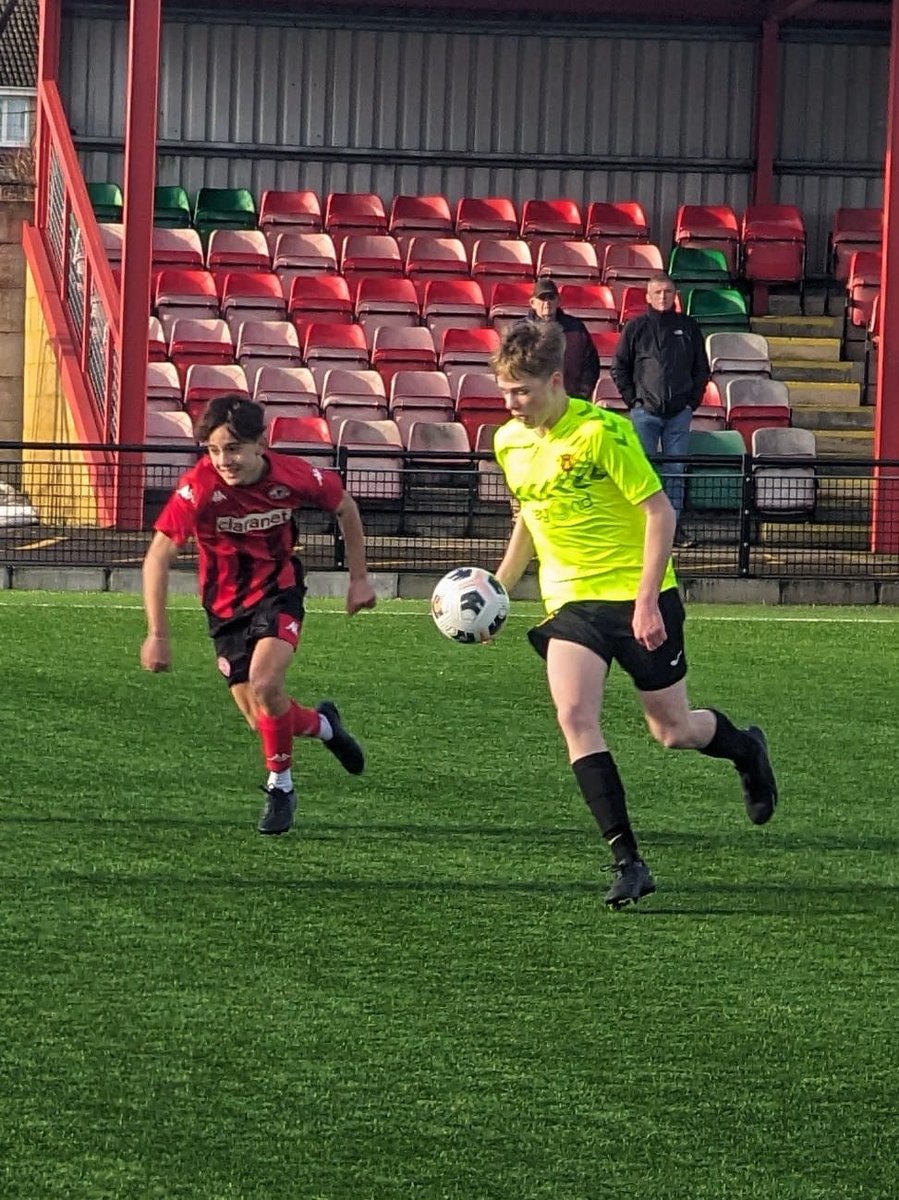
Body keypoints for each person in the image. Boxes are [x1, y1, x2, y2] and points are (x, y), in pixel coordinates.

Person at [490, 321, 777, 909]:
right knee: (574, 716)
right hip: (571, 602)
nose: (512, 403)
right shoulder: (508, 443)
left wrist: (647, 598)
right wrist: (497, 590)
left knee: (672, 731)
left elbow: (659, 514)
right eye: (505, 392)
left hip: (641, 596)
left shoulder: (602, 434)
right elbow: (531, 517)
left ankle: (745, 748)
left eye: (521, 391)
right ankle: (628, 860)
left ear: (554, 381)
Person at [140, 394, 377, 836]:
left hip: (278, 590)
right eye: (213, 450)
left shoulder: (294, 475)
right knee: (261, 717)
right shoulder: (200, 487)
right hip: (225, 607)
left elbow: (346, 506)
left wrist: (359, 578)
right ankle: (326, 727)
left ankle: (280, 788)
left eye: (232, 448)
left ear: (260, 444)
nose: (222, 460)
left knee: (268, 684)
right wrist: (158, 634)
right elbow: (158, 557)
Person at [610, 272, 710, 548]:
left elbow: (701, 369)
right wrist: (635, 402)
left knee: (675, 472)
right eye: (657, 292)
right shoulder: (636, 327)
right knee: (644, 471)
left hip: (679, 413)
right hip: (645, 413)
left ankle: (673, 530)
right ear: (648, 296)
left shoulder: (688, 327)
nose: (663, 297)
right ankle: (643, 528)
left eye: (667, 292)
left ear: (674, 294)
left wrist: (691, 403)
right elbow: (619, 367)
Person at [526, 276, 600, 400]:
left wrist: (581, 395)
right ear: (532, 303)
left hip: (571, 402)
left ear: (558, 301)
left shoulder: (576, 328)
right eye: (542, 298)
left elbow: (591, 365)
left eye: (551, 297)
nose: (547, 303)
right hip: (533, 403)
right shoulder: (521, 331)